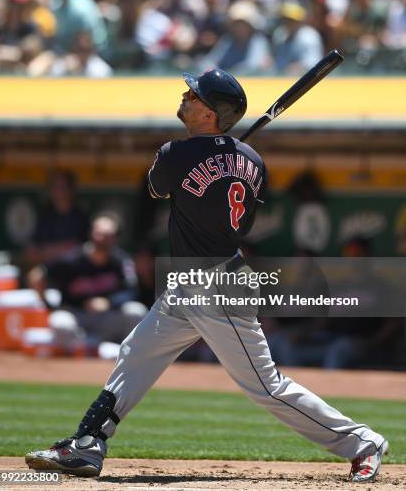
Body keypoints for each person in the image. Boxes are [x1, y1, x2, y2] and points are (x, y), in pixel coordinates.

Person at [25, 69, 388, 483]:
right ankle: (88, 443)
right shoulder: (252, 160)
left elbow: (156, 188)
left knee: (265, 386)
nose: (185, 96)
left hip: (217, 285)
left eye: (193, 94)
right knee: (136, 352)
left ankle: (363, 442)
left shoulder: (175, 154)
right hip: (195, 282)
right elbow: (241, 225)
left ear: (211, 112)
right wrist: (220, 158)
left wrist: (201, 160)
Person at [27, 214, 147, 348]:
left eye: (108, 235)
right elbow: (37, 276)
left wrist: (108, 302)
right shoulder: (71, 258)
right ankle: (87, 350)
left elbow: (132, 290)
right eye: (99, 233)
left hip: (107, 318)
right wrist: (50, 306)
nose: (103, 239)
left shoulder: (121, 260)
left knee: (136, 311)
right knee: (60, 323)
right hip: (77, 316)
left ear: (115, 238)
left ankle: (114, 352)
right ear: (91, 233)